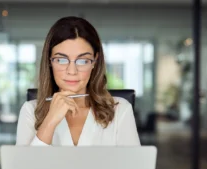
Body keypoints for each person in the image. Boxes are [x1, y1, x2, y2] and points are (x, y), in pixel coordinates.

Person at [16, 16, 140, 146]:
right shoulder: (30, 110)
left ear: (94, 61)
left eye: (83, 61)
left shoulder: (120, 110)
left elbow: (135, 166)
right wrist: (50, 121)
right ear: (49, 61)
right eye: (61, 60)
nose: (72, 71)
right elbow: (25, 166)